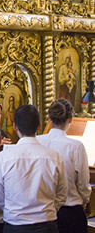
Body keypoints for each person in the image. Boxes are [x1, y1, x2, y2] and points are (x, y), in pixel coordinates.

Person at [0, 104, 67, 233]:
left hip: (15, 224)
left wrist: (13, 210)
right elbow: (61, 194)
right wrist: (46, 210)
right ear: (39, 126)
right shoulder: (54, 156)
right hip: (46, 224)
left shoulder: (4, 157)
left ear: (15, 127)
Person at [37, 99, 91, 233]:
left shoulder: (37, 141)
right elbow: (83, 184)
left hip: (42, 211)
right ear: (70, 119)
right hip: (71, 211)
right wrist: (84, 200)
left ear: (49, 118)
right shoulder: (76, 146)